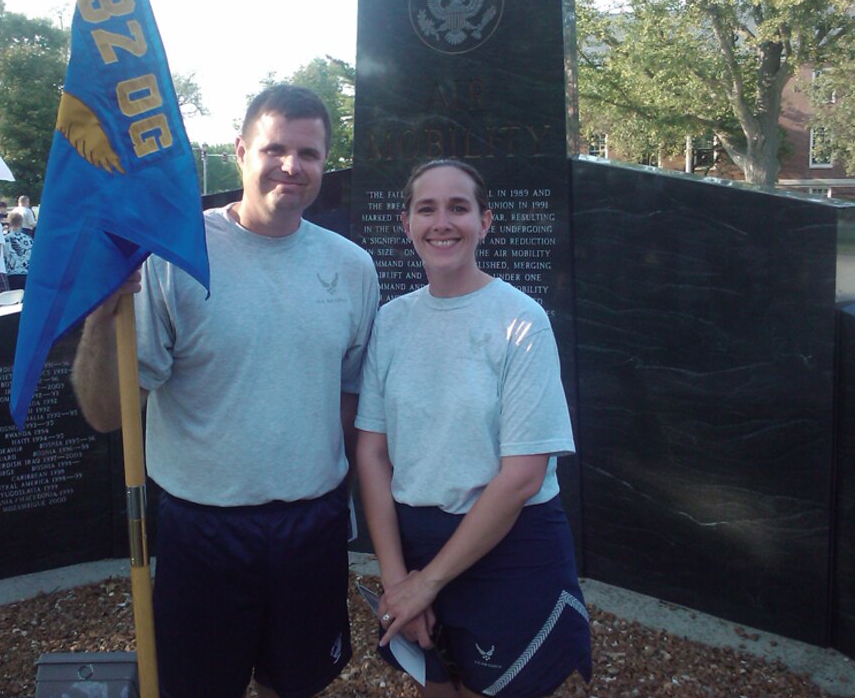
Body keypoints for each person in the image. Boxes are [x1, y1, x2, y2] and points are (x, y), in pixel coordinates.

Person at [71, 85, 380, 698]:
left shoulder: (352, 268)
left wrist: (331, 485)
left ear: (325, 162)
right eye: (275, 148)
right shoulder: (173, 257)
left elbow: (350, 394)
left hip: (310, 524)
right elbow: (107, 415)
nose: (291, 166)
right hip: (203, 531)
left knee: (297, 683)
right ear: (241, 151)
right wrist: (99, 317)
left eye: (309, 153)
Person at [356, 159, 592, 698]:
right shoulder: (391, 323)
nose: (443, 222)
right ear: (406, 223)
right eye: (427, 208)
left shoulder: (520, 320)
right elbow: (372, 453)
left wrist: (427, 585)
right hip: (413, 546)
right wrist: (398, 582)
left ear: (485, 222)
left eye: (458, 208)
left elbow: (522, 477)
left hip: (507, 548)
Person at [3, 211, 31, 291]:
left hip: (11, 274)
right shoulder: (28, 239)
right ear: (21, 222)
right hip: (26, 274)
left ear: (9, 222)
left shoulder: (4, 239)